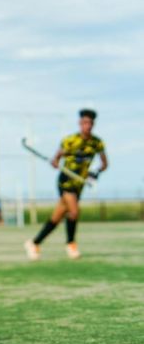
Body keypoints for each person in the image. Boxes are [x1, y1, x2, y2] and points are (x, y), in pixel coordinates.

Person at [24, 109, 108, 261]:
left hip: (79, 184)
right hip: (65, 181)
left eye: (90, 123)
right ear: (80, 123)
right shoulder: (69, 141)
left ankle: (34, 243)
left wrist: (94, 173)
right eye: (84, 122)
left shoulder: (97, 143)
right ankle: (71, 244)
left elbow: (104, 164)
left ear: (93, 124)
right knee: (74, 212)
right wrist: (55, 163)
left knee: (57, 217)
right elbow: (56, 159)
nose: (87, 126)